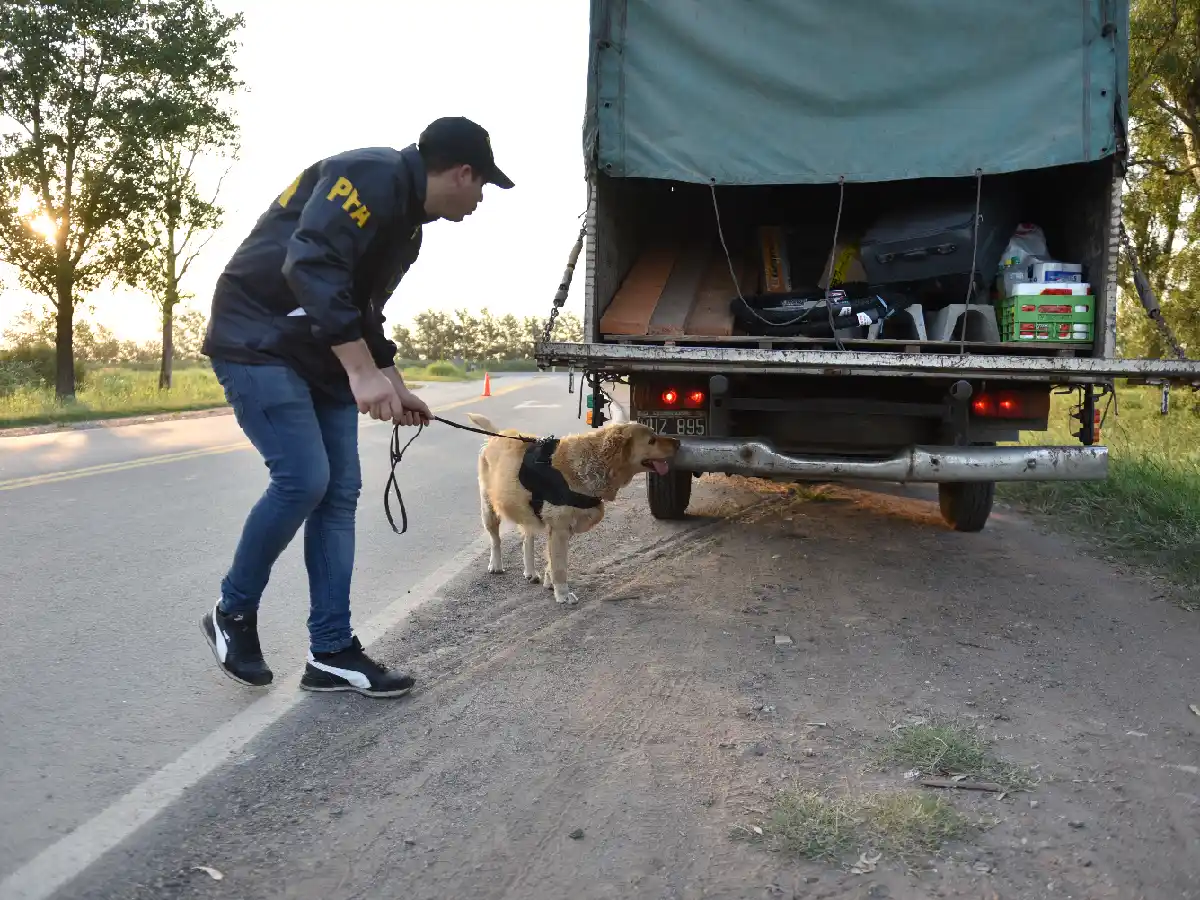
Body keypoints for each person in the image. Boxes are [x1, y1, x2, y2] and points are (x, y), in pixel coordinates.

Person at [199, 117, 513, 698]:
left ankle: (331, 651)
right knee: (302, 479)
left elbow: (365, 309)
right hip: (258, 339)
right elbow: (310, 266)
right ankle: (232, 613)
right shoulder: (368, 176)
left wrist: (391, 380)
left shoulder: (408, 229)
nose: (479, 200)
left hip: (317, 352)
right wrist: (362, 373)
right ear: (462, 172)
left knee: (339, 492)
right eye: (481, 187)